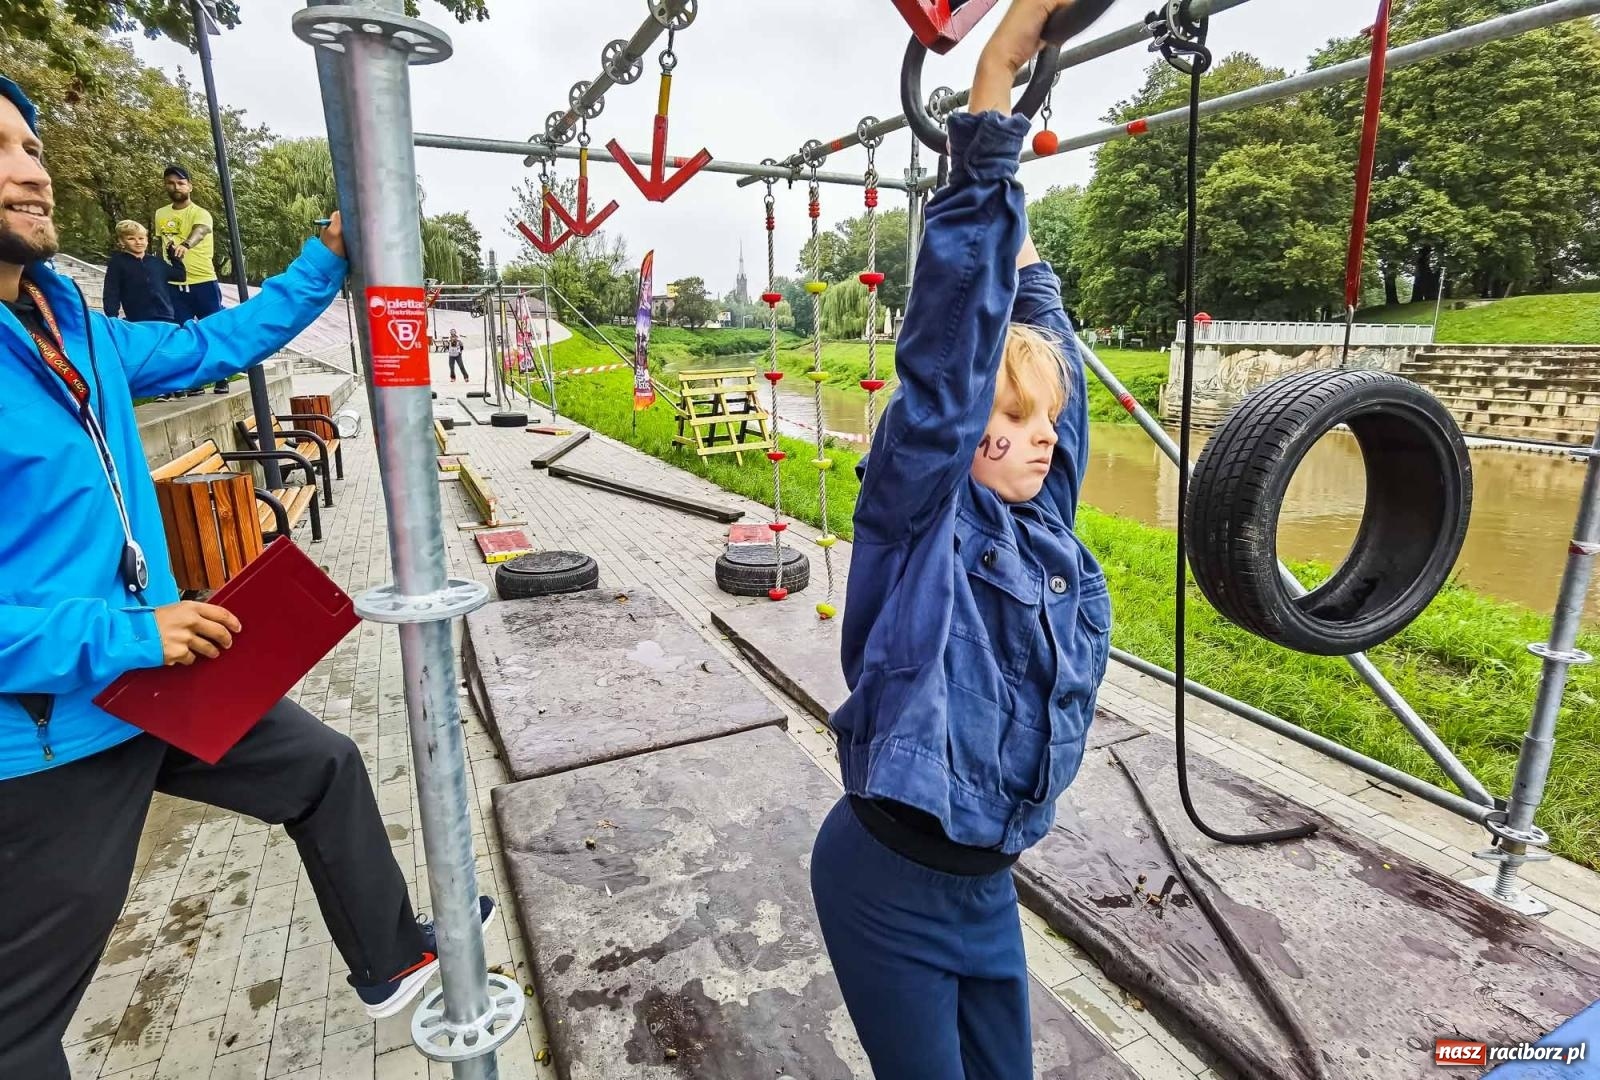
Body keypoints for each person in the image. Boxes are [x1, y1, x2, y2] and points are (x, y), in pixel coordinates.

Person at [0, 76, 493, 1080]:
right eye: (0, 153)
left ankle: (390, 958)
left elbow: (217, 339)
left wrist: (328, 258)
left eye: (31, 149)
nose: (31, 173)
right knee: (18, 1028)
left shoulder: (72, 328)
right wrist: (132, 637)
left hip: (153, 675)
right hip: (48, 729)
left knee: (322, 767)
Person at [807, 2, 1112, 1077]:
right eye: (1008, 425)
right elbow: (949, 354)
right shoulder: (920, 512)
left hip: (987, 884)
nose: (1037, 446)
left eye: (1045, 427)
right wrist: (993, 80)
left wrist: (1027, 268)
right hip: (885, 883)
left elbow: (1038, 326)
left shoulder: (1045, 525)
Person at [153, 163, 227, 395]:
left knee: (212, 328)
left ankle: (221, 376)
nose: (176, 187)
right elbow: (160, 243)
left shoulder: (200, 213)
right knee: (184, 333)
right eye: (171, 183)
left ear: (190, 186)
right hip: (174, 284)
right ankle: (195, 381)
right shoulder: (161, 214)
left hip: (203, 281)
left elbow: (201, 230)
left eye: (181, 182)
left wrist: (186, 245)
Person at [103, 220, 184, 324]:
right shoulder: (118, 263)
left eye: (141, 238)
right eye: (131, 238)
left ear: (147, 240)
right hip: (138, 319)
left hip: (166, 317)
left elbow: (180, 276)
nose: (138, 242)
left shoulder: (156, 262)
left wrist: (174, 257)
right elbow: (111, 292)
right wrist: (112, 318)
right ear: (122, 241)